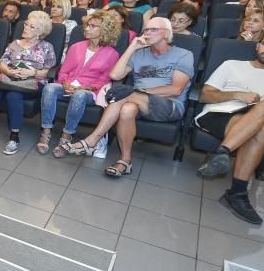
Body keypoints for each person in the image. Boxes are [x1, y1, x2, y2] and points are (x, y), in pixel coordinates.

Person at [58, 18, 194, 178]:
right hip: (135, 102)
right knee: (127, 109)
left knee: (123, 94)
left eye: (153, 29)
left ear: (167, 33)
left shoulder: (184, 55)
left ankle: (92, 141)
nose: (147, 33)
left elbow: (175, 89)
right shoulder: (140, 54)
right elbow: (115, 75)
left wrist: (137, 92)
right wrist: (132, 47)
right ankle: (125, 161)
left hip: (168, 105)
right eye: (146, 30)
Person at [194, 34, 264, 224]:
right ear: (258, 45)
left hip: (254, 121)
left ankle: (221, 154)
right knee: (262, 124)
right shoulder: (232, 64)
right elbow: (205, 95)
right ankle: (236, 194)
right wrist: (237, 94)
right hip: (217, 114)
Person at [0, 11, 56, 154]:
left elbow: (48, 71)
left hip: (32, 83)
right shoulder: (14, 44)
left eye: (31, 26)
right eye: (26, 24)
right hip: (10, 78)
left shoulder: (47, 47)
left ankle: (14, 137)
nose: (25, 28)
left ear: (39, 31)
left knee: (13, 95)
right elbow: (1, 62)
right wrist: (8, 71)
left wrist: (32, 72)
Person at [38, 11, 121, 157]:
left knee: (80, 95)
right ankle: (46, 132)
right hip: (67, 85)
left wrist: (84, 87)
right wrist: (65, 83)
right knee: (50, 88)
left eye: (93, 26)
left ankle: (66, 136)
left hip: (89, 91)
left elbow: (104, 80)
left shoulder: (112, 54)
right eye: (87, 25)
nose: (87, 28)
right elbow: (63, 71)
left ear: (105, 30)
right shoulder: (76, 46)